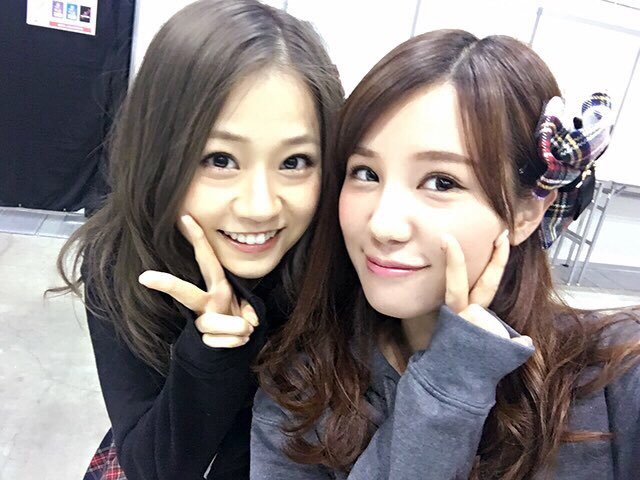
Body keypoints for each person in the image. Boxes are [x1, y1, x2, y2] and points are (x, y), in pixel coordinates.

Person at [251, 30, 640, 479]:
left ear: (527, 212)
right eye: (365, 173)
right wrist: (452, 377)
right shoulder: (299, 394)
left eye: (441, 182)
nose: (383, 225)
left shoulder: (617, 376)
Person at [51, 1, 343, 478]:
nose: (260, 206)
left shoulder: (337, 261)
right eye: (219, 160)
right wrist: (210, 355)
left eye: (294, 162)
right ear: (160, 154)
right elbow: (151, 467)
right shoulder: (121, 261)